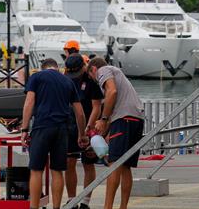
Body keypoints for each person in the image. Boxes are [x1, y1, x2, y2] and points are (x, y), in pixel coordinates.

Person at [21, 58, 88, 209]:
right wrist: (81, 134)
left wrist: (24, 129)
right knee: (57, 170)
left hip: (42, 127)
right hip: (62, 130)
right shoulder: (67, 82)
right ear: (57, 68)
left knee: (36, 169)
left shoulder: (36, 77)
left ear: (43, 68)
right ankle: (56, 207)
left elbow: (29, 102)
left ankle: (34, 207)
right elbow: (80, 113)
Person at [87, 57, 145, 209]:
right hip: (136, 118)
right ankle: (123, 207)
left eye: (91, 77)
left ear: (93, 69)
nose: (94, 80)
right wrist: (103, 133)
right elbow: (113, 107)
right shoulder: (118, 74)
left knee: (114, 164)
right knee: (125, 165)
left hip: (124, 119)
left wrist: (103, 118)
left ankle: (107, 207)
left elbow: (112, 91)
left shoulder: (103, 70)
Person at [64, 53, 104, 209]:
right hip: (69, 124)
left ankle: (85, 201)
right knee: (69, 162)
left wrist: (89, 125)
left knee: (88, 163)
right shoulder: (65, 78)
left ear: (84, 66)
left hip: (90, 123)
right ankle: (71, 199)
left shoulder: (91, 80)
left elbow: (97, 106)